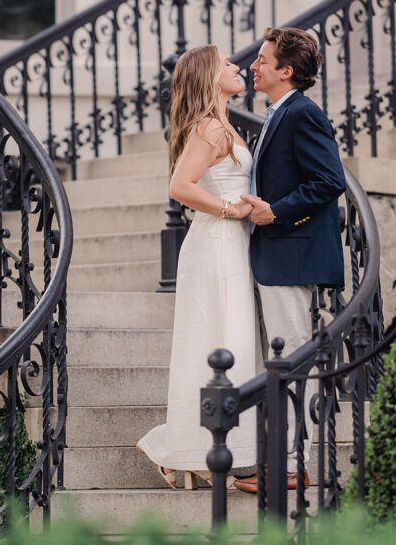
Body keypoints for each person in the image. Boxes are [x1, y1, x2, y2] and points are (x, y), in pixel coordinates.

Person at [136, 45, 260, 488]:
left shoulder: (222, 125)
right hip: (216, 243)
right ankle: (191, 451)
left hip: (228, 243)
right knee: (218, 339)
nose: (238, 66)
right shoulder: (210, 128)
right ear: (210, 75)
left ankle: (194, 450)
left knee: (229, 340)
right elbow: (180, 186)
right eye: (227, 63)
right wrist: (232, 210)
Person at [233, 26, 346, 494]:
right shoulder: (279, 112)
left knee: (292, 360)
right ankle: (278, 459)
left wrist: (275, 211)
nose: (253, 66)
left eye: (263, 60)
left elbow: (329, 180)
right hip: (273, 257)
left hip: (290, 258)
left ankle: (293, 466)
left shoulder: (303, 114)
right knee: (275, 365)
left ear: (287, 70)